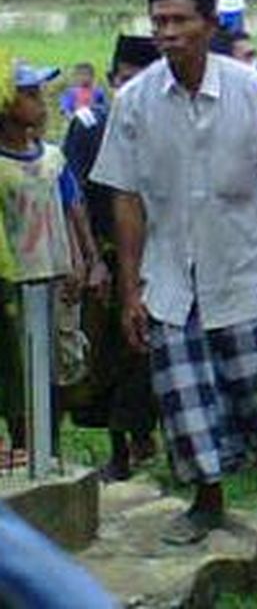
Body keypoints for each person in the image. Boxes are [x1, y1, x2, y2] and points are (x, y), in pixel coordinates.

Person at [90, 0, 257, 545]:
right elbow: (126, 198)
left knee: (252, 383)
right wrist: (131, 289)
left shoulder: (254, 92)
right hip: (169, 275)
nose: (167, 32)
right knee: (181, 395)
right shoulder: (134, 102)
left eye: (180, 20)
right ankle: (206, 500)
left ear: (210, 24)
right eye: (159, 21)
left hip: (246, 265)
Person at [61, 35, 161, 481]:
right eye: (125, 80)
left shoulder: (166, 127)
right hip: (107, 258)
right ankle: (122, 448)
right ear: (111, 80)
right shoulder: (89, 126)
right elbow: (74, 195)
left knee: (146, 355)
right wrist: (92, 261)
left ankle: (142, 437)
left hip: (158, 259)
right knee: (106, 357)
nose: (133, 90)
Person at [0, 59, 91, 458]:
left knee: (59, 365)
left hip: (58, 275)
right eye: (29, 94)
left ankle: (48, 447)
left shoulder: (53, 158)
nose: (40, 101)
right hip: (17, 280)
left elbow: (72, 207)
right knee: (20, 367)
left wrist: (83, 258)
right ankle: (25, 446)